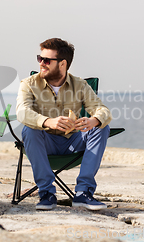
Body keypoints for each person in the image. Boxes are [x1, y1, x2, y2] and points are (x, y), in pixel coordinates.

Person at [16, 38, 111, 211]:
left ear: (62, 64)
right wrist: (48, 121)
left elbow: (102, 110)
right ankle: (46, 192)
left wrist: (93, 120)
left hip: (73, 143)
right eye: (40, 58)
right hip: (44, 143)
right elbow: (22, 112)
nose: (41, 63)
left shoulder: (80, 85)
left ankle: (83, 193)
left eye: (47, 60)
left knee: (101, 127)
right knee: (29, 129)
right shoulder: (28, 84)